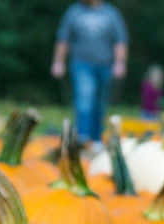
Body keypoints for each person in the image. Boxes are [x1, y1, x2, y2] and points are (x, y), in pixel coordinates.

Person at [51, 1, 129, 146]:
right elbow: (63, 39)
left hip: (105, 64)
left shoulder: (111, 13)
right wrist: (58, 62)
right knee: (84, 99)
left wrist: (120, 63)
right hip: (81, 64)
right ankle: (82, 138)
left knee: (100, 103)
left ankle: (96, 139)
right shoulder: (74, 11)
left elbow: (120, 41)